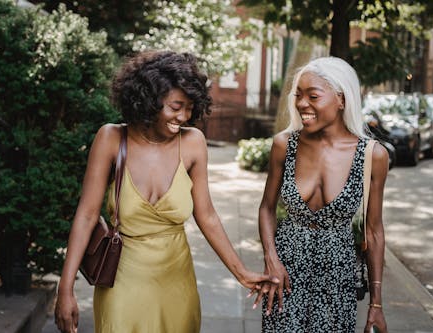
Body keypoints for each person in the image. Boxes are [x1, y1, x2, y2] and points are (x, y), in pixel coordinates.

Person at [54, 50, 276, 333]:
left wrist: (241, 272)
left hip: (176, 280)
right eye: (175, 106)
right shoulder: (111, 139)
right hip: (121, 279)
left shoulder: (193, 143)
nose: (183, 116)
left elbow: (206, 215)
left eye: (189, 108)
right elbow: (86, 215)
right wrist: (65, 288)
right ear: (149, 99)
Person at [253, 57, 389, 332]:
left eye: (312, 96)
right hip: (285, 272)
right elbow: (267, 208)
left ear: (341, 99)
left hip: (338, 277)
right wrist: (271, 260)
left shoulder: (372, 155)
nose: (302, 104)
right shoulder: (284, 144)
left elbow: (374, 231)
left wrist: (376, 303)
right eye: (299, 96)